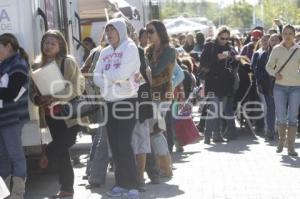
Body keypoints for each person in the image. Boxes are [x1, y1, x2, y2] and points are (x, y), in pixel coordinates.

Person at [29, 29, 85, 197]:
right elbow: (32, 93)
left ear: (60, 45)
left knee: (67, 141)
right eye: (46, 43)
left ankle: (47, 152)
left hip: (69, 114)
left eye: (53, 43)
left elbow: (75, 88)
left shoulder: (67, 62)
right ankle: (67, 189)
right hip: (50, 115)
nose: (48, 46)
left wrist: (56, 96)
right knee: (62, 154)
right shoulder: (37, 66)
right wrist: (40, 99)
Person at [93, 18, 140, 199]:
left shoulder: (130, 47)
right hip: (109, 101)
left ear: (121, 30)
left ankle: (133, 185)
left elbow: (122, 73)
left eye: (112, 30)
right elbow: (95, 77)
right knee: (114, 145)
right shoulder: (104, 51)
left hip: (127, 101)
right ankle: (121, 184)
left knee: (124, 143)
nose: (109, 34)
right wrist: (111, 79)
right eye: (107, 31)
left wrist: (107, 77)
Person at [0, 33, 29, 199]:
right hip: (4, 118)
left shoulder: (18, 65)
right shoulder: (4, 65)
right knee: (2, 159)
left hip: (13, 118)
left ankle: (18, 195)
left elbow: (11, 93)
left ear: (9, 45)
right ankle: (4, 195)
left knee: (16, 156)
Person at [145, 20, 176, 178]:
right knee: (153, 131)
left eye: (151, 31)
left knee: (156, 131)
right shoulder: (148, 50)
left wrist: (146, 72)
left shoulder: (169, 50)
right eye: (147, 31)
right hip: (149, 96)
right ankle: (159, 167)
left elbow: (157, 71)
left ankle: (165, 168)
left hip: (164, 96)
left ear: (160, 32)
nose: (148, 34)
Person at [199, 26, 239, 144]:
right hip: (212, 82)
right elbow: (203, 63)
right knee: (213, 110)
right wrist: (217, 58)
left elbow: (232, 64)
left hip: (225, 84)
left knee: (218, 111)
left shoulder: (229, 47)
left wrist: (235, 58)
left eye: (227, 38)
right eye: (222, 38)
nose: (225, 40)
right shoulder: (210, 46)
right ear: (218, 36)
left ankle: (217, 135)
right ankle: (207, 136)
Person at [266, 25, 300, 156]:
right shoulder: (276, 49)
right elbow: (268, 66)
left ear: (294, 34)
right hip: (279, 87)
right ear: (282, 34)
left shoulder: (298, 49)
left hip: (296, 87)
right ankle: (281, 140)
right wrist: (275, 73)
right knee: (280, 116)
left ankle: (290, 146)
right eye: (285, 33)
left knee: (293, 117)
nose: (288, 36)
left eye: (290, 33)